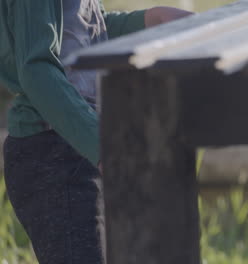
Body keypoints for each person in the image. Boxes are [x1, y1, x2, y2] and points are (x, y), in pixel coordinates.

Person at [0, 1, 193, 263]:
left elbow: (80, 31)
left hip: (78, 147)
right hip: (54, 153)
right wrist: (103, 147)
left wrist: (149, 20)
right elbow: (36, 70)